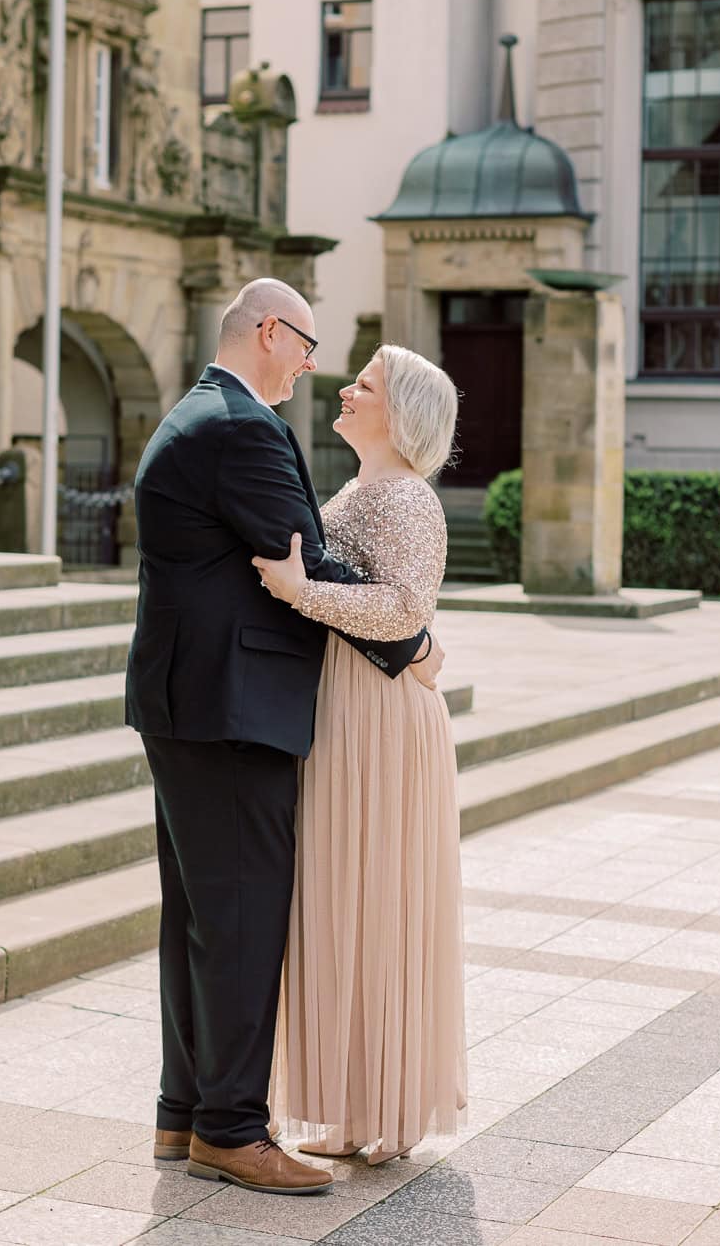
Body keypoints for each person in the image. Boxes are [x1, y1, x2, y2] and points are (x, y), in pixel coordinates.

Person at [125, 280, 440, 1197]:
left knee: (196, 915)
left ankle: (183, 1111)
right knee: (242, 919)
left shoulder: (203, 413)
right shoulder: (241, 427)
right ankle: (231, 1126)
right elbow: (300, 553)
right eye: (304, 345)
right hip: (228, 709)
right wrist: (412, 641)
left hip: (193, 702)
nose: (313, 365)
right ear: (269, 330)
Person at [255, 344, 467, 1165]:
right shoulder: (358, 487)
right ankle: (351, 1102)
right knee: (341, 899)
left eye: (365, 384)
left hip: (379, 718)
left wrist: (298, 589)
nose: (346, 387)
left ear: (399, 412)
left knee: (375, 896)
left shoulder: (407, 498)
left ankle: (388, 1105)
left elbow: (405, 609)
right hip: (342, 707)